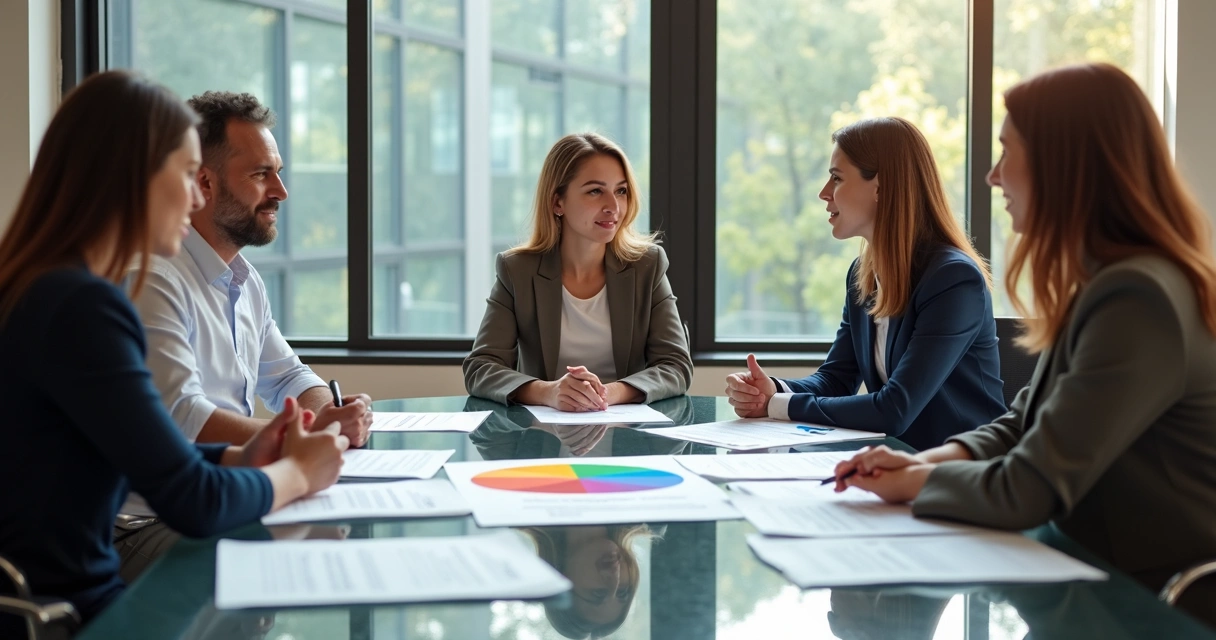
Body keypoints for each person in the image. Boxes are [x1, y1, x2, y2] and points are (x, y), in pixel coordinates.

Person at [833, 63, 1216, 628]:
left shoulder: (1140, 297)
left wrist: (916, 480)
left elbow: (1029, 488)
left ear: (1067, 167)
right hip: (1084, 573)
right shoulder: (1109, 283)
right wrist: (925, 459)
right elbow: (1023, 422)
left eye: (1007, 153)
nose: (992, 176)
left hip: (1146, 602)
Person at [0, 70, 346, 631]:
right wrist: (298, 474)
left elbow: (138, 454)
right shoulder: (82, 305)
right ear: (134, 179)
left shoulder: (50, 287)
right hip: (78, 613)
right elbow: (191, 499)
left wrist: (241, 458)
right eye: (187, 175)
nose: (194, 198)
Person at [113, 91, 373, 580]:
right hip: (141, 523)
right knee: (296, 558)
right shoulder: (151, 277)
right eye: (260, 174)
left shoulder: (243, 279)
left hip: (214, 491)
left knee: (333, 538)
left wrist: (328, 416)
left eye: (277, 171)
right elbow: (181, 417)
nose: (280, 190)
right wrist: (306, 441)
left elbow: (290, 377)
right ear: (204, 183)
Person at [724, 117, 1006, 451]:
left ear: (881, 187)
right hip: (895, 464)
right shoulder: (863, 275)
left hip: (964, 475)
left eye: (836, 178)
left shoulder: (954, 280)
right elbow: (836, 379)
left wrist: (776, 406)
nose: (824, 193)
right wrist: (772, 389)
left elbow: (894, 409)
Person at [464, 133, 692, 410]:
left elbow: (676, 366)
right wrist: (549, 392)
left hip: (628, 436)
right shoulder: (517, 270)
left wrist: (608, 393)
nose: (613, 207)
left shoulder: (647, 265)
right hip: (543, 440)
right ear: (557, 202)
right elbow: (481, 367)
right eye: (595, 191)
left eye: (621, 191)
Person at [516, 525, 658, 639]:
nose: (615, 579)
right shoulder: (652, 518)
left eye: (598, 593)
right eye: (622, 592)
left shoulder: (514, 514)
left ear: (562, 581)